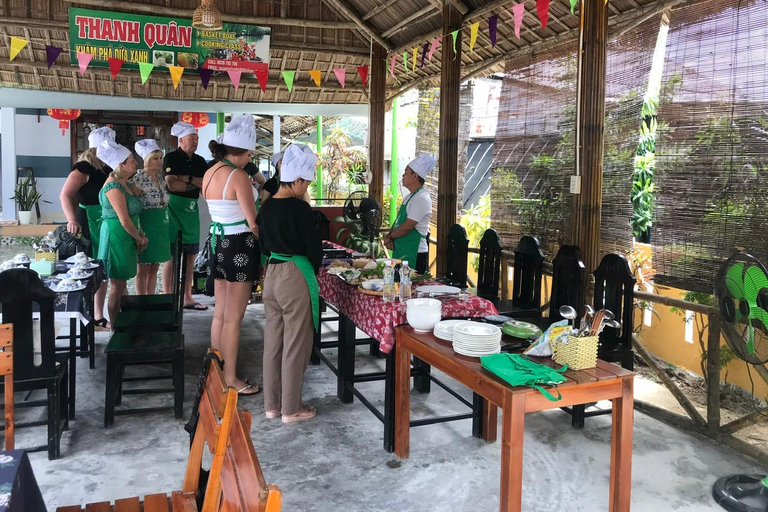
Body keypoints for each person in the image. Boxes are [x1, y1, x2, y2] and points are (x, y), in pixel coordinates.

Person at [257, 144, 322, 423]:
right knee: (296, 343)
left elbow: (261, 240)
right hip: (294, 273)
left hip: (272, 273)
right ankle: (291, 408)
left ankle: (272, 406)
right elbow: (314, 249)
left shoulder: (267, 204)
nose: (306, 187)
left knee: (273, 343)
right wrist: (312, 269)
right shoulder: (300, 208)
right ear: (296, 180)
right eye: (306, 182)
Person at [202, 114, 260, 395]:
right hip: (239, 244)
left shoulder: (210, 172)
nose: (251, 158)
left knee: (221, 314)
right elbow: (253, 221)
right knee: (235, 317)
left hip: (218, 242)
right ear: (240, 152)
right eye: (249, 153)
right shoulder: (238, 176)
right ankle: (231, 379)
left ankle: (216, 370)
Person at [59, 126, 114, 329]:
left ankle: (98, 315)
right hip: (88, 222)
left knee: (104, 269)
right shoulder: (83, 167)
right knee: (88, 269)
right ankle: (85, 315)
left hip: (107, 220)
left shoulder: (109, 167)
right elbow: (65, 195)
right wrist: (71, 220)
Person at [96, 140, 148, 326]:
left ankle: (123, 322)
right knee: (117, 285)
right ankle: (115, 327)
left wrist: (139, 234)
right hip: (116, 237)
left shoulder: (124, 183)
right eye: (132, 160)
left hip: (127, 236)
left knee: (123, 283)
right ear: (121, 165)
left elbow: (133, 216)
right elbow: (124, 220)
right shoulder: (113, 187)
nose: (136, 163)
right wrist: (139, 238)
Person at [163, 121, 208, 311]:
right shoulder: (171, 158)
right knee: (171, 256)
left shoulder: (200, 161)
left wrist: (186, 178)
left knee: (191, 255)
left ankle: (187, 296)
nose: (196, 142)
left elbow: (204, 185)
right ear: (181, 140)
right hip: (173, 208)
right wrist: (194, 182)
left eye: (197, 138)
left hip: (191, 207)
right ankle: (168, 296)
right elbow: (172, 185)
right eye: (192, 138)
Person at [383, 154, 436, 275]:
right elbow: (398, 222)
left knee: (409, 289)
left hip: (415, 252)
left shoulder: (422, 198)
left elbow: (407, 226)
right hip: (402, 250)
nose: (403, 175)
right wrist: (389, 235)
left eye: (406, 173)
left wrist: (390, 237)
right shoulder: (410, 196)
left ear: (415, 176)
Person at [131, 139, 170, 295]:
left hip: (160, 225)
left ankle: (151, 298)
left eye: (160, 157)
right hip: (146, 224)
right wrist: (138, 229)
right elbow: (133, 205)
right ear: (147, 159)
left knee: (155, 266)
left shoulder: (160, 179)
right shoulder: (139, 178)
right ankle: (141, 300)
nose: (159, 161)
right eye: (155, 158)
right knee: (144, 267)